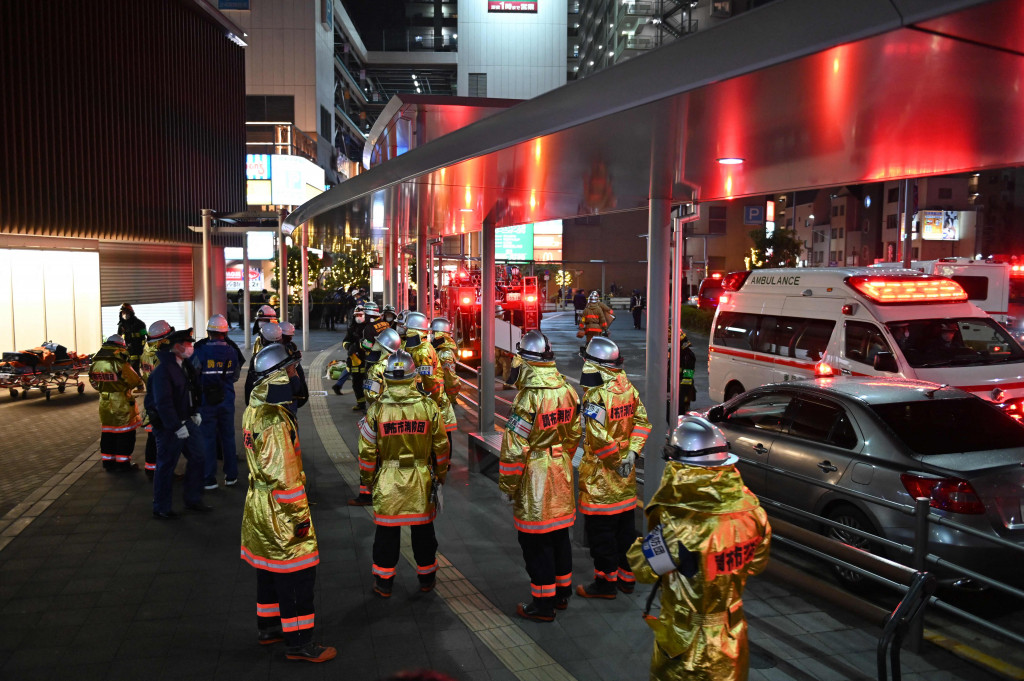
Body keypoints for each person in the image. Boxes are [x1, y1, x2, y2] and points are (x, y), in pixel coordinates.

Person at [627, 416, 771, 681]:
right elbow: (756, 565)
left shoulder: (680, 524)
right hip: (732, 640)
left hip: (686, 646)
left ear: (682, 467)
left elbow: (644, 569)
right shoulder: (754, 512)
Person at [241, 343, 337, 663]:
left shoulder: (255, 408)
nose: (296, 374)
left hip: (260, 504)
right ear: (277, 376)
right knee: (296, 573)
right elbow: (285, 478)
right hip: (281, 508)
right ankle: (300, 642)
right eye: (291, 369)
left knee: (268, 567)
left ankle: (269, 627)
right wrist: (299, 518)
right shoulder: (275, 421)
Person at [499, 331, 581, 622]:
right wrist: (560, 458)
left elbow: (514, 449)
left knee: (535, 541)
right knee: (559, 535)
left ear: (525, 359)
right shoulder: (567, 389)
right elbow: (574, 434)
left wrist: (508, 486)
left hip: (535, 473)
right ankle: (561, 593)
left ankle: (543, 604)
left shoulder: (527, 398)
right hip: (560, 467)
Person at [358, 350, 450, 597]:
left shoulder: (376, 411)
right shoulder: (428, 407)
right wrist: (440, 475)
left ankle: (384, 583)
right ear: (413, 377)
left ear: (387, 377)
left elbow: (366, 452)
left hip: (388, 479)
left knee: (386, 534)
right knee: (424, 532)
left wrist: (368, 481)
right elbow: (441, 446)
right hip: (421, 477)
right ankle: (427, 578)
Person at [576, 337, 651, 599]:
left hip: (601, 477)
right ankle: (627, 579)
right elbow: (642, 422)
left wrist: (617, 462)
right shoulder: (629, 389)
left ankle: (605, 584)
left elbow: (597, 437)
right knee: (625, 530)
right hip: (626, 477)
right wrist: (631, 454)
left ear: (593, 363)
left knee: (601, 534)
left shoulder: (595, 395)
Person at [145, 328, 211, 519]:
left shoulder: (185, 365)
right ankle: (161, 507)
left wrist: (195, 411)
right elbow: (163, 402)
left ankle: (193, 499)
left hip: (186, 420)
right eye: (187, 344)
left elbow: (193, 390)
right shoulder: (163, 370)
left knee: (198, 457)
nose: (190, 347)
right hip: (169, 427)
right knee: (166, 465)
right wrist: (176, 426)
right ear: (176, 347)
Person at [192, 314, 242, 490]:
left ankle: (209, 479)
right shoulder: (233, 351)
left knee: (208, 439)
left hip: (206, 401)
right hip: (226, 399)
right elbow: (235, 376)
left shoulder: (200, 351)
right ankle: (231, 476)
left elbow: (193, 374)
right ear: (225, 332)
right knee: (228, 437)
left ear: (209, 332)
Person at [88, 335, 143, 472]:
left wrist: (104, 389)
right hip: (122, 402)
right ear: (120, 347)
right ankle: (123, 464)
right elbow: (134, 381)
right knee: (125, 433)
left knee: (108, 432)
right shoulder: (119, 362)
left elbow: (93, 382)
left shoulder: (95, 362)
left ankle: (108, 462)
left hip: (104, 402)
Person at [403, 312, 458, 443]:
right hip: (435, 399)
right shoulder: (426, 349)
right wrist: (449, 397)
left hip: (427, 399)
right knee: (441, 435)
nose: (430, 334)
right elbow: (445, 380)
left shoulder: (418, 348)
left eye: (433, 332)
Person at [140, 320, 175, 479]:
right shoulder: (161, 355)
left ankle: (151, 468)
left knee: (152, 438)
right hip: (162, 400)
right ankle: (163, 473)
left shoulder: (145, 352)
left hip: (151, 399)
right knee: (164, 441)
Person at [246, 322, 284, 405]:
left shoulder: (257, 358)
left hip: (262, 401)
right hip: (283, 400)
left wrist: (248, 402)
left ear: (263, 339)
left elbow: (250, 382)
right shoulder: (286, 354)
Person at [430, 317, 461, 408]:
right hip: (435, 396)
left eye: (433, 332)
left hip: (442, 400)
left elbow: (451, 380)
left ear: (439, 334)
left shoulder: (445, 354)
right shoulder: (436, 349)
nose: (431, 335)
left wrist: (451, 399)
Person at [279, 321, 309, 416]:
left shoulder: (284, 350)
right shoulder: (289, 349)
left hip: (287, 392)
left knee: (289, 418)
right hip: (291, 391)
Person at [343, 304, 369, 409]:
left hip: (367, 360)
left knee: (372, 383)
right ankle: (361, 403)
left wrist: (360, 346)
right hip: (355, 361)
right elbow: (345, 341)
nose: (358, 317)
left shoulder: (369, 328)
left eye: (360, 315)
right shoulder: (352, 328)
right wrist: (349, 346)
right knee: (356, 383)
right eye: (356, 315)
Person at [116, 303, 148, 373]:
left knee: (135, 372)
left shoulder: (140, 324)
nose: (125, 314)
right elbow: (118, 338)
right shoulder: (121, 326)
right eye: (123, 312)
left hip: (137, 353)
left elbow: (145, 337)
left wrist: (143, 351)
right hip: (125, 354)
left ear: (131, 312)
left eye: (126, 312)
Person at [678, 331, 697, 415]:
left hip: (683, 386)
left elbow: (688, 376)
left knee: (680, 408)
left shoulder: (688, 356)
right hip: (677, 384)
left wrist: (683, 391)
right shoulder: (678, 354)